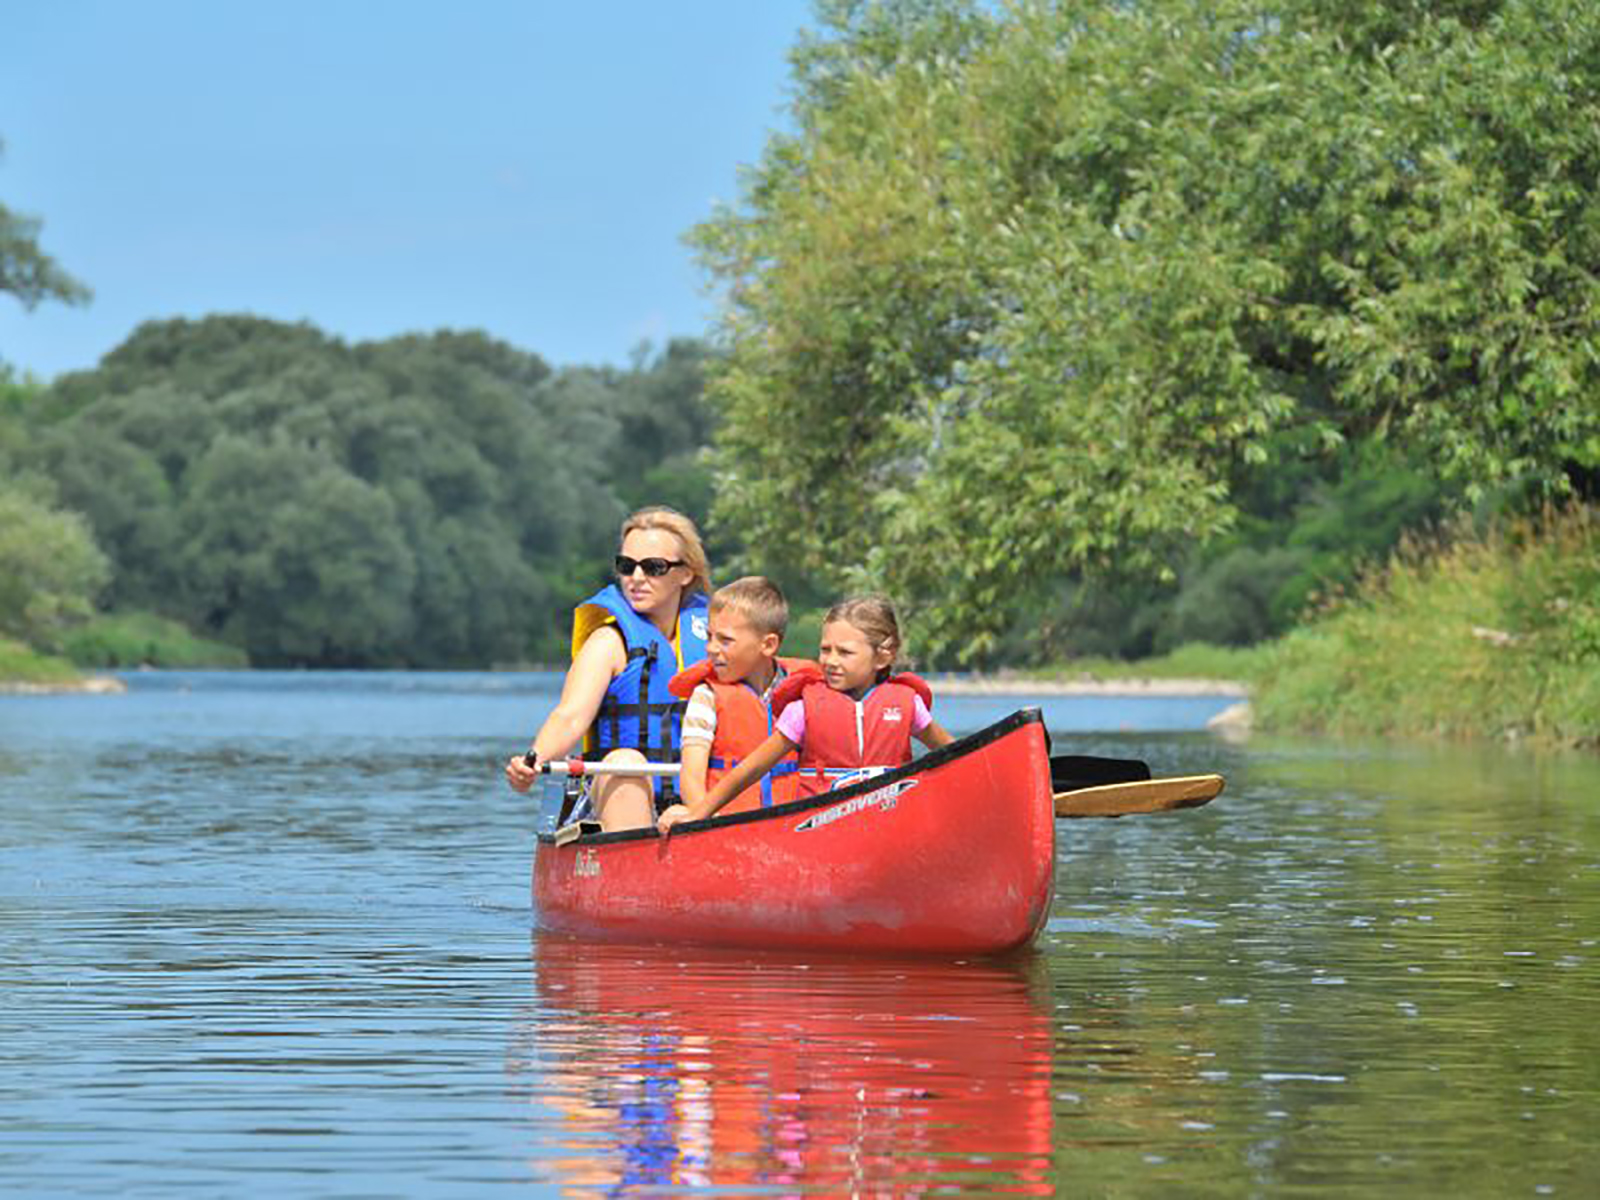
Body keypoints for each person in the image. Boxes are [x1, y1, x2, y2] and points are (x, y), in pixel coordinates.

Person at [657, 594, 953, 833]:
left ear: (883, 656)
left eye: (845, 652)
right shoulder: (803, 710)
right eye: (825, 650)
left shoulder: (907, 703)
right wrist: (700, 816)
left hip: (889, 827)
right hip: (820, 832)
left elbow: (957, 755)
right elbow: (748, 771)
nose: (831, 661)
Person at [505, 506, 712, 832]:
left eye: (654, 567)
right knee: (626, 764)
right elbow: (570, 716)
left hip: (697, 803)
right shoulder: (608, 642)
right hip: (614, 799)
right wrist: (534, 761)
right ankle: (636, 868)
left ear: (686, 573)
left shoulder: (715, 640)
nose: (637, 578)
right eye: (626, 566)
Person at [656, 576, 817, 823]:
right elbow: (690, 780)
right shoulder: (706, 697)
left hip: (793, 828)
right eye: (709, 637)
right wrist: (712, 824)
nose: (710, 648)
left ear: (768, 644)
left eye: (725, 640)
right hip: (728, 827)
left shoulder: (805, 694)